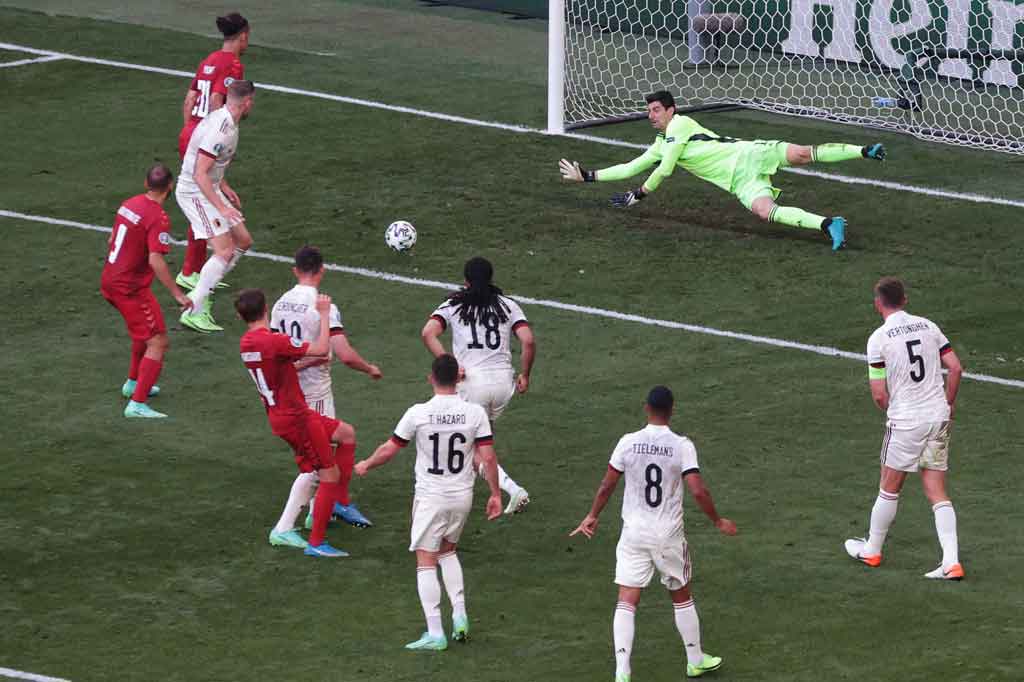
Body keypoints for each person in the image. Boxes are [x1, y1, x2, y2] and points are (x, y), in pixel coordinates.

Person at [558, 90, 888, 251]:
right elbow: (632, 166)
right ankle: (830, 224)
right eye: (649, 110)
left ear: (671, 110)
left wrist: (640, 194)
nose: (651, 115)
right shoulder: (662, 142)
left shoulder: (682, 124)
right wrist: (588, 176)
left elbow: (666, 169)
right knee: (764, 211)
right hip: (738, 180)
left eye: (656, 109)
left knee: (802, 154)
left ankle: (864, 150)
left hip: (750, 153)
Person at [570, 386, 737, 681]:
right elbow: (697, 489)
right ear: (672, 410)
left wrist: (593, 515)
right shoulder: (681, 445)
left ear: (646, 408)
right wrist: (717, 520)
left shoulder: (627, 442)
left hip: (633, 532)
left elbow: (607, 485)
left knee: (627, 599)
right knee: (680, 594)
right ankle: (695, 659)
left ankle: (622, 670)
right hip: (667, 535)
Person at [354, 354, 503, 651]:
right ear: (458, 379)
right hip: (462, 495)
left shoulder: (418, 413)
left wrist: (366, 465)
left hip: (431, 497)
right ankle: (460, 615)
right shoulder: (475, 414)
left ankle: (435, 632)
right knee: (448, 551)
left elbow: (390, 448)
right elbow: (487, 457)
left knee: (426, 561)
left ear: (431, 378)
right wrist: (496, 494)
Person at [844, 277, 964, 580]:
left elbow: (878, 393)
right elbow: (956, 368)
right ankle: (952, 562)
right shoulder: (928, 326)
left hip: (906, 421)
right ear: (905, 299)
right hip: (938, 417)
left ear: (877, 304)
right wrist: (948, 402)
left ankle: (872, 549)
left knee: (889, 486)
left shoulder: (879, 338)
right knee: (937, 490)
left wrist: (895, 410)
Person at [267, 245, 383, 549]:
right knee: (320, 464)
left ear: (295, 270)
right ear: (322, 270)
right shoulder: (323, 307)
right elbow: (343, 354)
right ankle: (286, 525)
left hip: (289, 390)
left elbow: (276, 350)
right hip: (314, 393)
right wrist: (369, 368)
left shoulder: (280, 304)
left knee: (341, 441)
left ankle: (327, 506)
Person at [236, 288, 349, 558]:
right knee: (327, 473)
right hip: (295, 418)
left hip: (285, 413)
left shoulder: (247, 344)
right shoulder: (273, 342)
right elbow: (322, 347)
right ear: (266, 309)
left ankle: (337, 503)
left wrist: (305, 364)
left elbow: (278, 369)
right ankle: (314, 540)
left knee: (346, 434)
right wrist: (323, 315)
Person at [421, 257, 534, 514]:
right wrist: (525, 375)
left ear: (466, 281)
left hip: (472, 383)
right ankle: (472, 480)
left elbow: (428, 332)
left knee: (471, 446)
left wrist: (447, 362)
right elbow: (527, 340)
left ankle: (512, 490)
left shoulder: (453, 305)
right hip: (504, 385)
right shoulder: (508, 305)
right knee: (484, 437)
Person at [100, 164, 192, 419]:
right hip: (129, 288)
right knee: (158, 341)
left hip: (110, 279)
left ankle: (133, 384)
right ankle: (137, 405)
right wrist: (177, 293)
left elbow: (112, 240)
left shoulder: (129, 203)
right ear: (170, 186)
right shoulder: (158, 218)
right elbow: (155, 260)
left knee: (144, 332)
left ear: (146, 183)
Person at [175, 12, 249, 293]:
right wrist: (209, 132)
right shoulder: (232, 64)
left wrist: (190, 133)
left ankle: (192, 270)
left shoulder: (208, 60)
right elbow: (219, 99)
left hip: (191, 132)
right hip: (205, 136)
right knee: (204, 199)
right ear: (243, 35)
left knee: (201, 202)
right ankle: (191, 273)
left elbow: (190, 97)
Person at [176, 79, 256, 333]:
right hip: (194, 192)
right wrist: (221, 208)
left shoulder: (226, 121)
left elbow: (211, 167)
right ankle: (195, 309)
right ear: (247, 103)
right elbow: (200, 173)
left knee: (243, 241)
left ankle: (205, 287)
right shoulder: (221, 129)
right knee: (223, 250)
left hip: (209, 187)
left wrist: (224, 185)